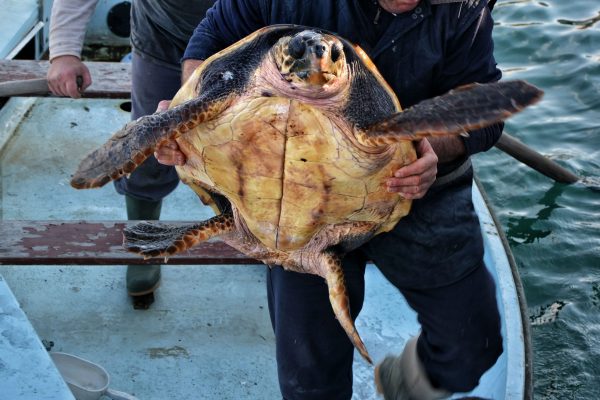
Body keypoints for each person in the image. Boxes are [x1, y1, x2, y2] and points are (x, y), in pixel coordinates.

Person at [154, 0, 505, 399]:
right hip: (294, 196)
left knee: (472, 345)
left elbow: (484, 111)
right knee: (309, 379)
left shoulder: (462, 8)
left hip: (412, 185)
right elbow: (212, 38)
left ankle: (409, 381)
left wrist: (430, 146)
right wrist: (187, 112)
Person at [47, 0, 215, 307]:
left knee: (249, 145)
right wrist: (63, 52)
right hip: (162, 36)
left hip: (242, 38)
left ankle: (259, 234)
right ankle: (144, 244)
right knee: (148, 147)